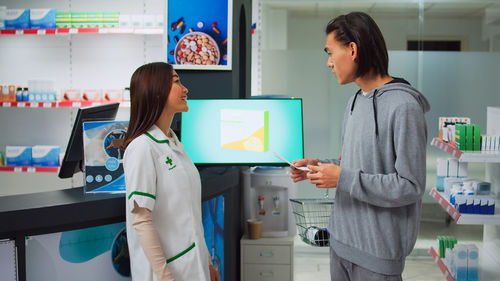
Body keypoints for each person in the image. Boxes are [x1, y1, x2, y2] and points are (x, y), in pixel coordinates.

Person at [291, 12, 430, 281]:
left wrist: (342, 178)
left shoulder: (404, 107)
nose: (328, 63)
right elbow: (356, 165)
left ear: (352, 50)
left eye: (331, 52)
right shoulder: (355, 101)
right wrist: (318, 167)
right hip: (341, 245)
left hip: (377, 257)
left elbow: (410, 186)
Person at [122, 62, 220, 281]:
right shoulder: (142, 148)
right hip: (166, 274)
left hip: (192, 268)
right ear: (156, 91)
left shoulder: (173, 144)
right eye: (177, 82)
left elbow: (190, 216)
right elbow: (141, 220)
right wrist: (165, 276)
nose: (185, 89)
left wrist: (207, 263)